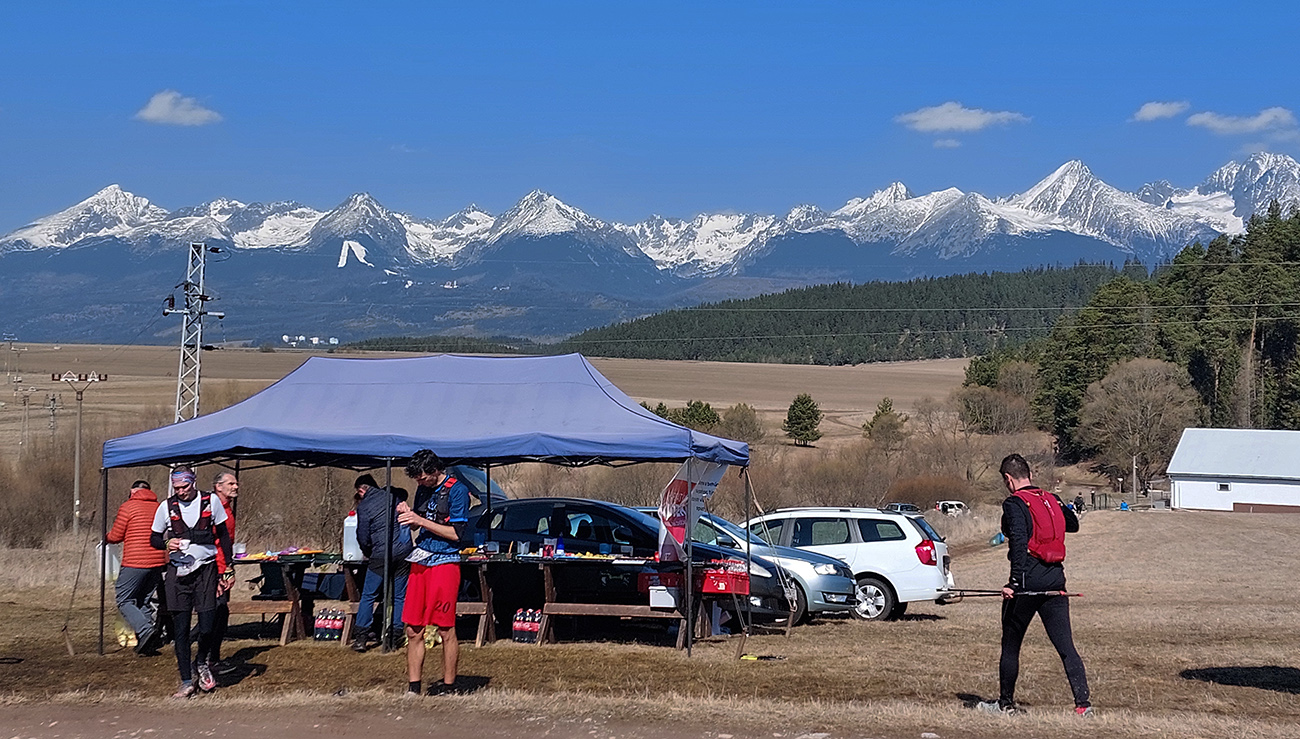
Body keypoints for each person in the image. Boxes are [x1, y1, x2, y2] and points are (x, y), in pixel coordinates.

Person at [980, 453, 1091, 717]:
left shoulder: (1014, 503)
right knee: (1066, 647)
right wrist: (1057, 503)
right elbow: (1072, 524)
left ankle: (1005, 704)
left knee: (1011, 644)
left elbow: (1018, 542)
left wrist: (1013, 583)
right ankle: (1083, 705)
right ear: (1029, 475)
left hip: (1027, 583)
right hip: (1055, 580)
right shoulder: (1050, 498)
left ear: (1008, 479)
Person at [150, 467, 234, 699]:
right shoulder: (166, 507)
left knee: (207, 625)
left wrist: (228, 567)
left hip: (205, 570)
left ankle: (201, 661)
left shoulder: (211, 501)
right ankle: (186, 681)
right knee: (181, 630)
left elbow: (224, 536)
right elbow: (154, 538)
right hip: (178, 573)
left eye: (184, 487)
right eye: (176, 488)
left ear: (193, 482)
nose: (181, 492)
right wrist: (167, 544)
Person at [396, 450, 469, 696]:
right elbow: (420, 522)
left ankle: (449, 686)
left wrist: (421, 521)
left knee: (445, 628)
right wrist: (409, 516)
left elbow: (456, 534)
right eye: (416, 478)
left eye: (422, 477)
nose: (420, 481)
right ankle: (414, 687)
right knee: (413, 628)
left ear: (435, 470)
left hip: (445, 560)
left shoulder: (457, 490)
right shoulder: (422, 489)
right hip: (421, 558)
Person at [351, 474, 413, 652]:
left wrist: (368, 552)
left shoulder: (365, 506)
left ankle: (361, 637)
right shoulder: (394, 497)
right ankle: (395, 635)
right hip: (403, 552)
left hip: (380, 554)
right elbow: (404, 493)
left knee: (368, 595)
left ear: (362, 490)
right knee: (399, 596)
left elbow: (362, 535)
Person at [106, 480, 168, 655]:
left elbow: (116, 535)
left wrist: (106, 537)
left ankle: (146, 630)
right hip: (157, 561)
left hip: (135, 561)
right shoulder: (159, 507)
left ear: (133, 491)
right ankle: (147, 642)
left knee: (124, 599)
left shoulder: (128, 507)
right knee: (143, 600)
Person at [208, 472, 239, 673]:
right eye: (231, 483)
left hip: (223, 566)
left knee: (222, 612)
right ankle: (207, 659)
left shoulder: (227, 508)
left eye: (236, 483)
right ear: (218, 486)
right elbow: (211, 542)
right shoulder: (212, 509)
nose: (236, 487)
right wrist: (223, 569)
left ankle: (214, 658)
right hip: (213, 568)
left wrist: (229, 565)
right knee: (216, 611)